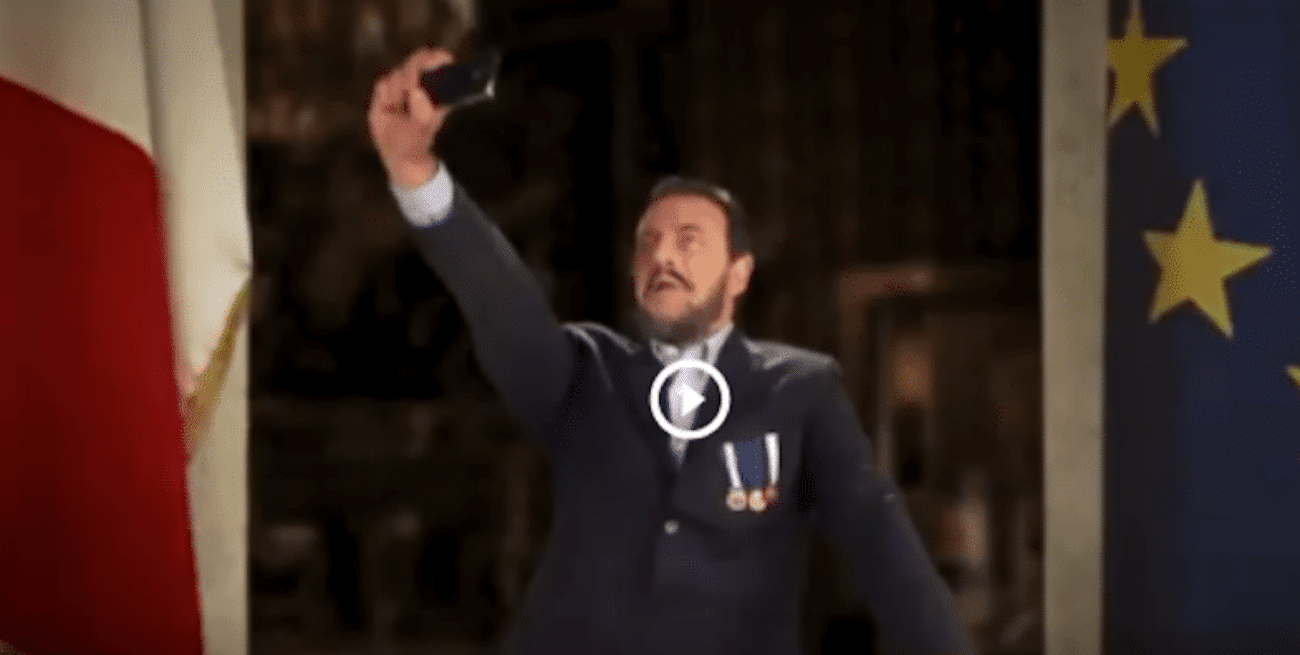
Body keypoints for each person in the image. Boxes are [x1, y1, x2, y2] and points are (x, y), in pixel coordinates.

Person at [367, 47, 974, 655]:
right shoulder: (585, 374)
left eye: (689, 240)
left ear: (739, 273)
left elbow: (881, 543)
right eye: (648, 243)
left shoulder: (801, 390)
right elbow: (500, 302)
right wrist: (416, 172)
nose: (662, 256)